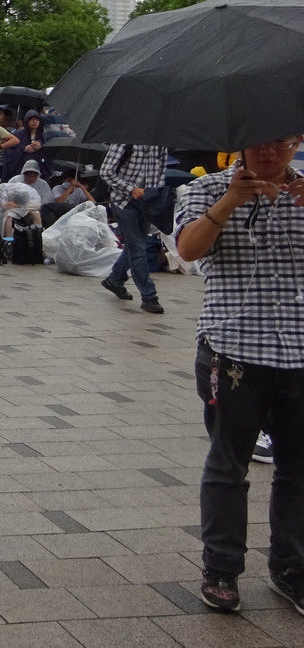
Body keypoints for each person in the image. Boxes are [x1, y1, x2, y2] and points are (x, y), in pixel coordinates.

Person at [174, 135, 304, 614]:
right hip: (233, 352)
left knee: (298, 468)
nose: (269, 152)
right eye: (258, 143)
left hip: (300, 352)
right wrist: (230, 201)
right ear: (240, 144)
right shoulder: (204, 189)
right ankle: (222, 568)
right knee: (229, 464)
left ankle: (291, 569)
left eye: (282, 142)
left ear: (298, 141)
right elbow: (188, 250)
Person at [99, 143, 168, 314]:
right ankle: (149, 296)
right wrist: (131, 189)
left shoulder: (161, 144)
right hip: (123, 202)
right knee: (138, 249)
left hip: (146, 202)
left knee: (137, 246)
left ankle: (115, 279)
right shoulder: (124, 141)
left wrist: (154, 195)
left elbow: (161, 174)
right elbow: (106, 172)